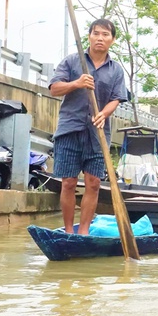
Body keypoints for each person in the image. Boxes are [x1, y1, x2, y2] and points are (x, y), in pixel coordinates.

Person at [49, 18, 127, 234]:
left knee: (93, 183)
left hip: (98, 133)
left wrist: (104, 113)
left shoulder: (116, 70)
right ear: (89, 36)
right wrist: (77, 83)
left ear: (112, 40)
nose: (100, 38)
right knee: (68, 183)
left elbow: (117, 98)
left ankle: (83, 232)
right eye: (96, 33)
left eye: (105, 35)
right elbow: (54, 88)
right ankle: (68, 231)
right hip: (70, 130)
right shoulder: (72, 62)